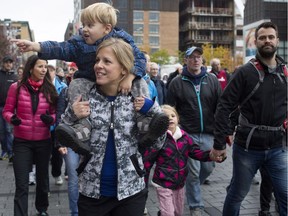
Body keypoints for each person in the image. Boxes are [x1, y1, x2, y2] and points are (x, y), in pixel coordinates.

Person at [11, 2, 166, 157]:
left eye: (90, 25)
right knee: (76, 84)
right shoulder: (79, 43)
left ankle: (144, 122)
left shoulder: (122, 40)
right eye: (84, 25)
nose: (84, 29)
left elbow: (139, 58)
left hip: (124, 82)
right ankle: (82, 129)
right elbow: (60, 48)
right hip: (88, 82)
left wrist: (131, 77)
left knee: (140, 81)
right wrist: (36, 46)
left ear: (107, 28)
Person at [63, 37, 165, 215]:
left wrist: (151, 110)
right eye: (97, 60)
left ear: (124, 69)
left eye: (106, 61)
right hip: (91, 193)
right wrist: (72, 114)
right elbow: (62, 132)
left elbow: (158, 142)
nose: (98, 66)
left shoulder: (137, 98)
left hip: (131, 193)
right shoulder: (85, 97)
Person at [210, 21, 287, 216]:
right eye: (262, 38)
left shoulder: (285, 72)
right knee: (237, 194)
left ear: (277, 40)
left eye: (271, 37)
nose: (267, 41)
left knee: (285, 194)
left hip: (278, 147)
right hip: (247, 148)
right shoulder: (245, 72)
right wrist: (219, 142)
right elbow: (223, 106)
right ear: (256, 42)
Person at [166, 46, 222, 216]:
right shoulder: (177, 82)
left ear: (202, 60)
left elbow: (220, 107)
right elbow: (170, 108)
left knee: (208, 167)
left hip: (208, 133)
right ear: (186, 60)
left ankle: (192, 188)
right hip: (187, 133)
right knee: (193, 172)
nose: (196, 60)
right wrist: (174, 131)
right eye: (192, 57)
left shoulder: (212, 80)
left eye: (199, 57)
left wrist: (224, 131)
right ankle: (196, 206)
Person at [2, 55, 58, 216]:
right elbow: (6, 111)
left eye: (45, 67)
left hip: (43, 141)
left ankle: (42, 210)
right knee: (21, 184)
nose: (43, 70)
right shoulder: (16, 87)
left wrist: (51, 119)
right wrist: (12, 119)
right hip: (21, 142)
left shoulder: (50, 89)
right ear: (31, 68)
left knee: (42, 181)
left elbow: (56, 115)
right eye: (40, 66)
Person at [149, 105, 223, 216]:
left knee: (178, 212)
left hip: (179, 183)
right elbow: (148, 159)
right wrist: (142, 174)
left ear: (178, 118)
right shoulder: (158, 139)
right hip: (163, 183)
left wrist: (210, 156)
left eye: (173, 116)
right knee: (169, 213)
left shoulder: (185, 137)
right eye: (165, 117)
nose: (170, 118)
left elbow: (195, 152)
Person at [47, 64, 67, 185]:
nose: (48, 73)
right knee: (43, 153)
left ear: (54, 72)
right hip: (43, 125)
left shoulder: (63, 86)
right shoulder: (40, 86)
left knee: (56, 153)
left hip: (56, 125)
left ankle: (57, 173)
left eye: (51, 70)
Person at [0, 56, 18, 162]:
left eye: (10, 62)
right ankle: (4, 150)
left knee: (8, 130)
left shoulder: (15, 77)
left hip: (10, 108)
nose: (8, 64)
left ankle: (11, 152)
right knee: (1, 131)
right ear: (3, 63)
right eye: (6, 62)